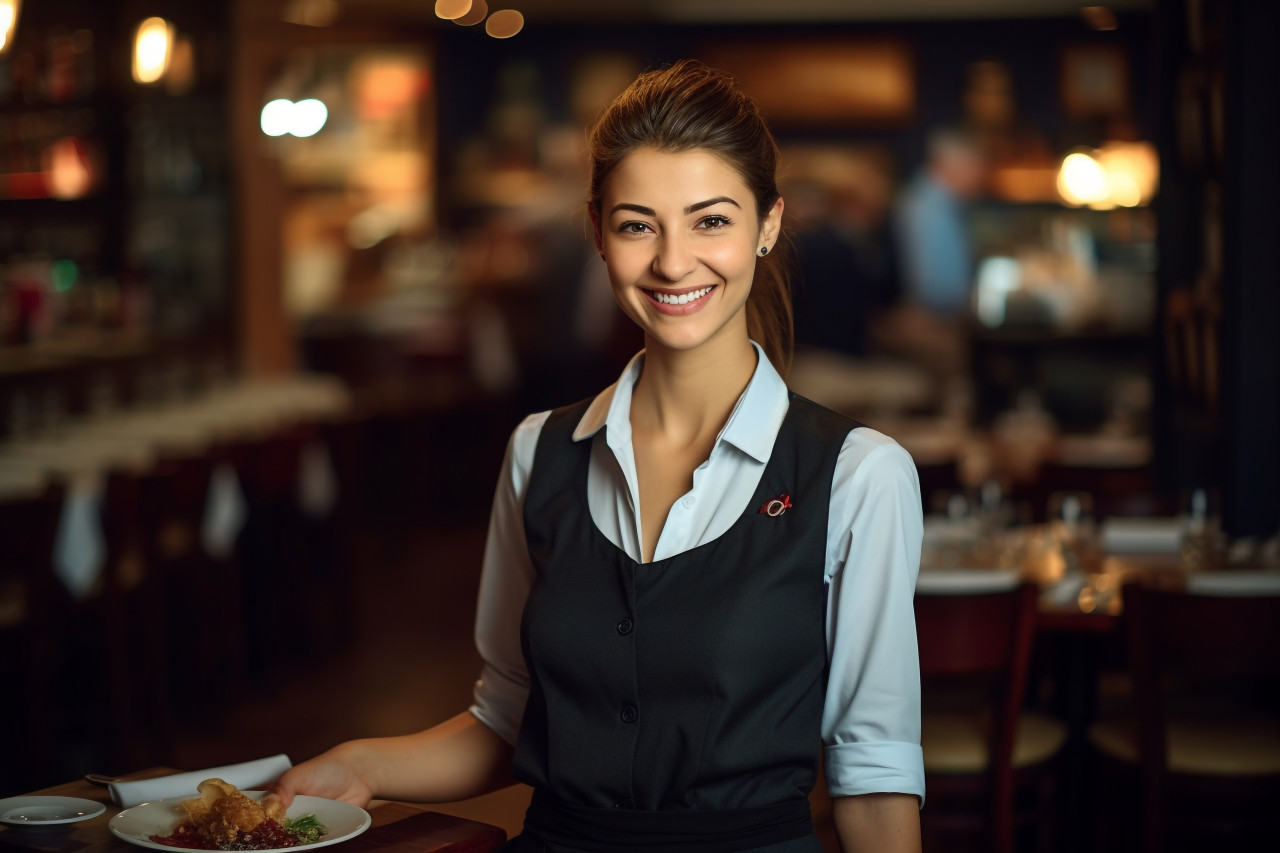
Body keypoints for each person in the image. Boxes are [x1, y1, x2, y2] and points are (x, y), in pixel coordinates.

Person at [266, 59, 924, 852]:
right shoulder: (537, 451)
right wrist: (360, 764)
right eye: (637, 224)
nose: (674, 262)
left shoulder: (860, 474)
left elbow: (875, 776)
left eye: (711, 221)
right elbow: (507, 717)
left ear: (769, 224)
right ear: (598, 233)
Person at [892, 126, 987, 318]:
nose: (980, 176)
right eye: (977, 166)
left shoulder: (927, 197)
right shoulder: (931, 207)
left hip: (931, 315)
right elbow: (938, 291)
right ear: (958, 164)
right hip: (935, 320)